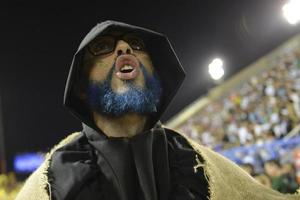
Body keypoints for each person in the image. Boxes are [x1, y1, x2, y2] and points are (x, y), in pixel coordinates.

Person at [16, 21, 300, 200]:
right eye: (103, 47)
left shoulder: (203, 165)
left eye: (137, 45)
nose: (125, 47)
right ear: (81, 86)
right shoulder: (50, 184)